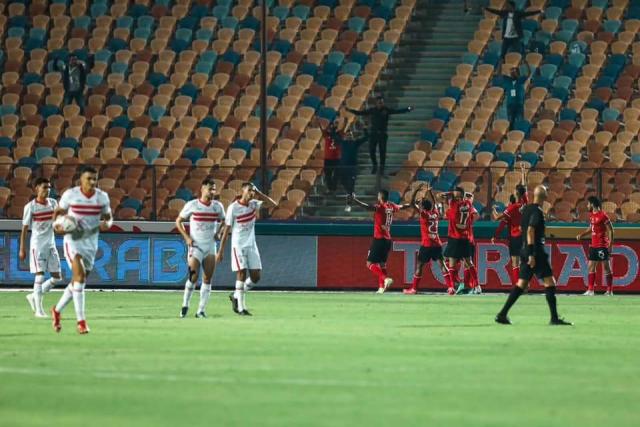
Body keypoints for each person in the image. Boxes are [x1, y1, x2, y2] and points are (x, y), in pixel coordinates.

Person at [495, 185, 572, 326]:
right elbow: (530, 230)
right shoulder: (537, 211)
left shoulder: (527, 210)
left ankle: (502, 314)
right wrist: (532, 253)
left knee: (521, 284)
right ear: (544, 196)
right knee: (550, 283)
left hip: (524, 250)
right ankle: (554, 318)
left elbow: (521, 228)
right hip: (535, 251)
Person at [51, 166, 112, 334]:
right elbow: (57, 214)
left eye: (94, 179)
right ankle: (81, 322)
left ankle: (56, 310)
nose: (92, 182)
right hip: (73, 241)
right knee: (79, 277)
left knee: (77, 282)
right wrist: (57, 226)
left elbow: (108, 218)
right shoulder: (70, 195)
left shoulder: (102, 197)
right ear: (81, 180)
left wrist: (107, 224)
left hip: (91, 243)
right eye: (89, 179)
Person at [218, 183, 277, 316]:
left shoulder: (254, 204)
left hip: (251, 245)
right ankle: (241, 308)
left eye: (253, 191)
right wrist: (220, 250)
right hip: (238, 245)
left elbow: (273, 204)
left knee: (256, 277)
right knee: (241, 274)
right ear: (242, 191)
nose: (251, 193)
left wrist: (259, 192)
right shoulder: (233, 207)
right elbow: (226, 229)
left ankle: (235, 295)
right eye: (249, 190)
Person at [175, 178, 226, 318]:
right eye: (210, 188)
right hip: (196, 246)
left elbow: (225, 221)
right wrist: (187, 237)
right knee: (193, 276)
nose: (213, 191)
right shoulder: (192, 205)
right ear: (203, 189)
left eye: (214, 189)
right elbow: (178, 221)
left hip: (210, 246)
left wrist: (218, 232)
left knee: (207, 278)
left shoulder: (217, 206)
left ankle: (201, 310)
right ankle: (185, 305)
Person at [348, 190, 413, 293]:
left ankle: (385, 279)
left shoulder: (380, 207)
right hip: (387, 240)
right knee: (382, 264)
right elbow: (402, 207)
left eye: (378, 195)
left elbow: (367, 207)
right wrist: (412, 204)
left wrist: (355, 200)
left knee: (369, 263)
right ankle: (381, 287)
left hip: (379, 239)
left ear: (381, 197)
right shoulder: (391, 206)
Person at [20, 178, 64, 318]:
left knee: (57, 278)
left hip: (51, 244)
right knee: (40, 275)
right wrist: (22, 248)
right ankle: (39, 310)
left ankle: (33, 296)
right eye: (45, 187)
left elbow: (57, 224)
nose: (48, 190)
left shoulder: (53, 203)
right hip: (37, 245)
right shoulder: (30, 207)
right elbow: (24, 229)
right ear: (37, 188)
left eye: (49, 187)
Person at [346, 95, 412, 175]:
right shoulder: (372, 110)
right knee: (372, 150)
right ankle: (375, 166)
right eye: (379, 102)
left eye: (382, 102)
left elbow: (397, 111)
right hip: (373, 134)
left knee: (382, 152)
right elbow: (361, 113)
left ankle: (382, 168)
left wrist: (407, 109)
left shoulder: (386, 110)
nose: (381, 104)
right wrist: (350, 110)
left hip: (382, 134)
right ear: (376, 103)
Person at [404, 184, 450, 295]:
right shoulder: (435, 213)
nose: (420, 207)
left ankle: (414, 289)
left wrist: (415, 191)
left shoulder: (424, 215)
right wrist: (430, 193)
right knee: (442, 264)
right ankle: (451, 287)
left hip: (427, 244)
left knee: (419, 265)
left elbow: (411, 204)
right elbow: (434, 204)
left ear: (423, 208)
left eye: (421, 206)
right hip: (437, 243)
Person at [492, 164, 529, 285]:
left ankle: (517, 285)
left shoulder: (512, 208)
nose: (513, 190)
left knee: (515, 262)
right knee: (525, 261)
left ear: (516, 193)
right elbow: (525, 189)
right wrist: (523, 173)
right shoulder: (525, 203)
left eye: (515, 190)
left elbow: (498, 218)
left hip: (515, 237)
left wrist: (493, 209)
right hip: (525, 237)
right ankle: (526, 284)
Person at [438, 187, 478, 295]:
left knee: (450, 261)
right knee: (468, 262)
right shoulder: (469, 205)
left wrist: (451, 194)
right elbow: (475, 213)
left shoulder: (453, 208)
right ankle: (474, 286)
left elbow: (440, 196)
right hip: (468, 238)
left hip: (456, 238)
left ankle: (455, 285)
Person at [576, 196, 614, 296]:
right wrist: (582, 235)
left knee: (606, 267)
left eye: (588, 204)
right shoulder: (592, 215)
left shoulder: (603, 216)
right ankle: (591, 290)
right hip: (594, 245)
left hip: (602, 245)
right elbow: (591, 228)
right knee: (590, 267)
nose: (587, 206)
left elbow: (610, 229)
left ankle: (609, 290)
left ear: (592, 204)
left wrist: (610, 244)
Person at [331, 123, 369, 212]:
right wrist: (333, 129)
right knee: (344, 184)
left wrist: (365, 129)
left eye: (350, 135)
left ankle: (349, 204)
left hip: (352, 168)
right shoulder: (342, 142)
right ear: (345, 137)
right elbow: (334, 137)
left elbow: (366, 138)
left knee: (350, 186)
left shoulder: (355, 143)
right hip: (343, 168)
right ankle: (351, 194)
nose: (349, 136)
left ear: (352, 136)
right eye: (347, 135)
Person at [501, 63, 532, 130]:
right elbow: (499, 74)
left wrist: (527, 64)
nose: (513, 74)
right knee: (510, 121)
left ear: (518, 73)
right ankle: (511, 132)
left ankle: (520, 132)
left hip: (519, 104)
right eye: (512, 72)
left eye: (514, 72)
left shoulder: (520, 80)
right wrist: (500, 64)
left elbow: (528, 73)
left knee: (520, 119)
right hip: (510, 104)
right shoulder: (508, 80)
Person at [462, 192, 481, 294]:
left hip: (465, 239)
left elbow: (476, 215)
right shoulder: (466, 207)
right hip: (467, 239)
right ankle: (468, 285)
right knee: (466, 263)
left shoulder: (465, 207)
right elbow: (477, 215)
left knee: (467, 262)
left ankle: (474, 285)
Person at [319, 118, 342, 194]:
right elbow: (322, 129)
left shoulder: (338, 134)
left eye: (334, 125)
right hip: (328, 159)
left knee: (336, 174)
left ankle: (334, 188)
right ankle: (330, 189)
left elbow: (343, 128)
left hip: (336, 158)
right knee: (328, 175)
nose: (332, 127)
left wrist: (342, 122)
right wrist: (320, 123)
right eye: (331, 126)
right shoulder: (326, 134)